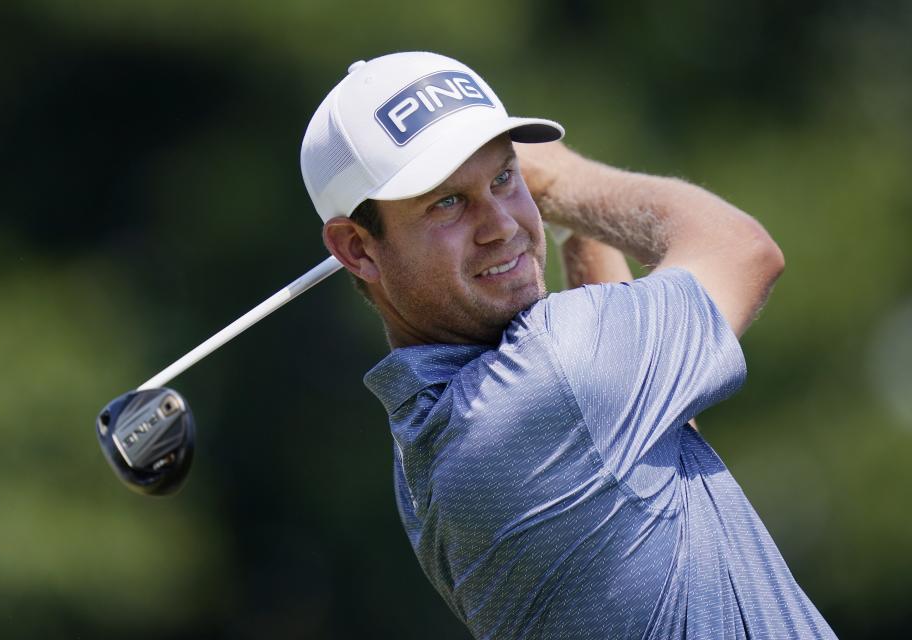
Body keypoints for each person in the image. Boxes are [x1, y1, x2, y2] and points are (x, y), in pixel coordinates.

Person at [301, 52, 837, 639]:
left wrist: (567, 223)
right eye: (447, 203)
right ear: (357, 249)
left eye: (505, 178)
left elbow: (639, 435)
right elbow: (742, 249)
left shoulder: (422, 447)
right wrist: (561, 182)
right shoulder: (547, 386)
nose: (501, 224)